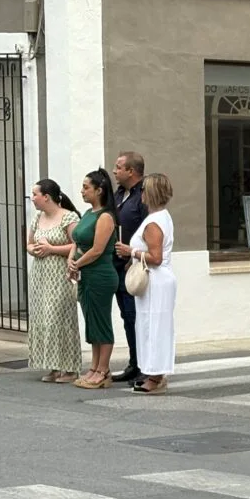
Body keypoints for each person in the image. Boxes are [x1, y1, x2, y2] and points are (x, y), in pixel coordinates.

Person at [25, 178, 81, 383]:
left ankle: (70, 367)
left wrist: (52, 249)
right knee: (43, 318)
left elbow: (77, 244)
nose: (32, 199)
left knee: (58, 317)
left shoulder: (68, 217)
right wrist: (35, 250)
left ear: (46, 197)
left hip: (60, 274)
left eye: (35, 195)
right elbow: (29, 243)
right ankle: (53, 365)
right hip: (40, 274)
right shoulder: (37, 217)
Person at [70, 169, 120, 390]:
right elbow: (77, 241)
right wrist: (72, 261)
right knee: (92, 322)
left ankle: (104, 369)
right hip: (86, 275)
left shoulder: (105, 217)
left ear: (99, 190)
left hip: (100, 275)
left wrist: (77, 263)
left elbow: (98, 249)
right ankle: (94, 366)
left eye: (86, 187)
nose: (82, 191)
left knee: (101, 321)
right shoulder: (88, 214)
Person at [130, 174, 177, 395]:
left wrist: (131, 251)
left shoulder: (153, 222)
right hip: (160, 279)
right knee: (154, 325)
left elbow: (155, 257)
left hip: (156, 280)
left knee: (153, 326)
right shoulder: (162, 217)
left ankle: (155, 376)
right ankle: (155, 374)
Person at [112, 151, 148, 384]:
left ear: (131, 171)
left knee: (138, 317)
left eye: (118, 167)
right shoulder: (117, 195)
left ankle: (146, 366)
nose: (114, 171)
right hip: (117, 265)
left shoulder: (143, 196)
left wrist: (132, 255)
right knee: (127, 317)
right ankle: (134, 363)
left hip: (134, 265)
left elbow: (149, 230)